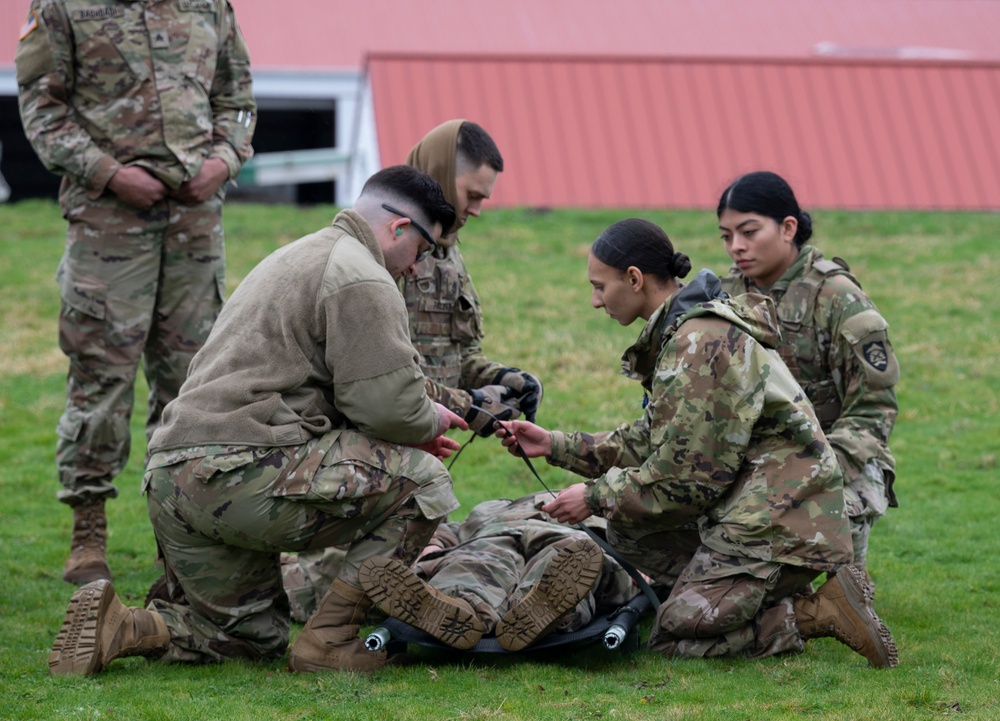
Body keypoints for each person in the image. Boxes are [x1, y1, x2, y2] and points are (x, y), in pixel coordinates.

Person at [48, 166, 489, 677]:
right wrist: (427, 419)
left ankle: (124, 627)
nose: (417, 268)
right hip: (241, 473)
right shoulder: (363, 275)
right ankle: (331, 640)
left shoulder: (298, 255)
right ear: (398, 228)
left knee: (251, 638)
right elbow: (387, 406)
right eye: (424, 250)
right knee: (423, 481)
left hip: (172, 479)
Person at [498, 218, 898, 667]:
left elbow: (687, 480)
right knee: (628, 530)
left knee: (674, 634)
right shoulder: (687, 332)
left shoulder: (699, 341)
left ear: (634, 279)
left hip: (778, 521)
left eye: (599, 286)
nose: (595, 301)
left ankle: (819, 611)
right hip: (763, 509)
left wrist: (593, 496)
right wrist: (553, 444)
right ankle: (749, 589)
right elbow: (653, 438)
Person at [15, 0, 257, 585]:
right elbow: (42, 110)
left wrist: (222, 161)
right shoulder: (63, 7)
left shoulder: (209, 7)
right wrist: (107, 172)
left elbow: (238, 100)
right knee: (100, 378)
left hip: (195, 224)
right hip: (108, 224)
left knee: (195, 382)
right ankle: (88, 529)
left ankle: (177, 533)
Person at [280, 120, 545, 622]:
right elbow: (379, 370)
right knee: (319, 587)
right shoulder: (380, 250)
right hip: (374, 432)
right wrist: (472, 404)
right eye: (472, 193)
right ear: (444, 175)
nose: (477, 208)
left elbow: (453, 353)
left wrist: (504, 380)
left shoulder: (447, 256)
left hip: (425, 432)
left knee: (416, 548)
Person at [716, 171, 899, 581]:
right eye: (726, 236)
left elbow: (874, 408)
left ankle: (845, 579)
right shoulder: (725, 297)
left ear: (788, 228)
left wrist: (814, 470)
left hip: (840, 461)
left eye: (748, 231)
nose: (736, 247)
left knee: (815, 525)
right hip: (756, 458)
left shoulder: (836, 297)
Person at [358, 492, 641, 652]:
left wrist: (644, 570)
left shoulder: (586, 500)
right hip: (495, 534)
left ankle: (539, 608)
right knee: (476, 561)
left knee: (568, 559)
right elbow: (451, 530)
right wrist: (431, 548)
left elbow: (632, 538)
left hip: (567, 535)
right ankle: (459, 607)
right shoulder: (488, 508)